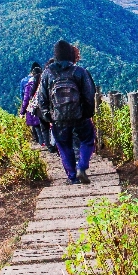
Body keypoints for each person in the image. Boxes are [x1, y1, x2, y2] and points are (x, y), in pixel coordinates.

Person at [35, 40, 97, 185]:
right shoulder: (80, 72)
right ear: (70, 55)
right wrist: (87, 113)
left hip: (58, 118)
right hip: (79, 116)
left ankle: (72, 176)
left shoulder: (47, 73)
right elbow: (89, 95)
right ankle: (82, 166)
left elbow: (41, 98)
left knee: (64, 146)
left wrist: (48, 116)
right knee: (87, 140)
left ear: (55, 56)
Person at [22, 66, 47, 147]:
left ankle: (42, 143)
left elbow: (25, 99)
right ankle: (48, 143)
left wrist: (22, 112)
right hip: (45, 109)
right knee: (45, 127)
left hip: (34, 110)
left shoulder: (28, 85)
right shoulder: (45, 81)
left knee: (37, 128)